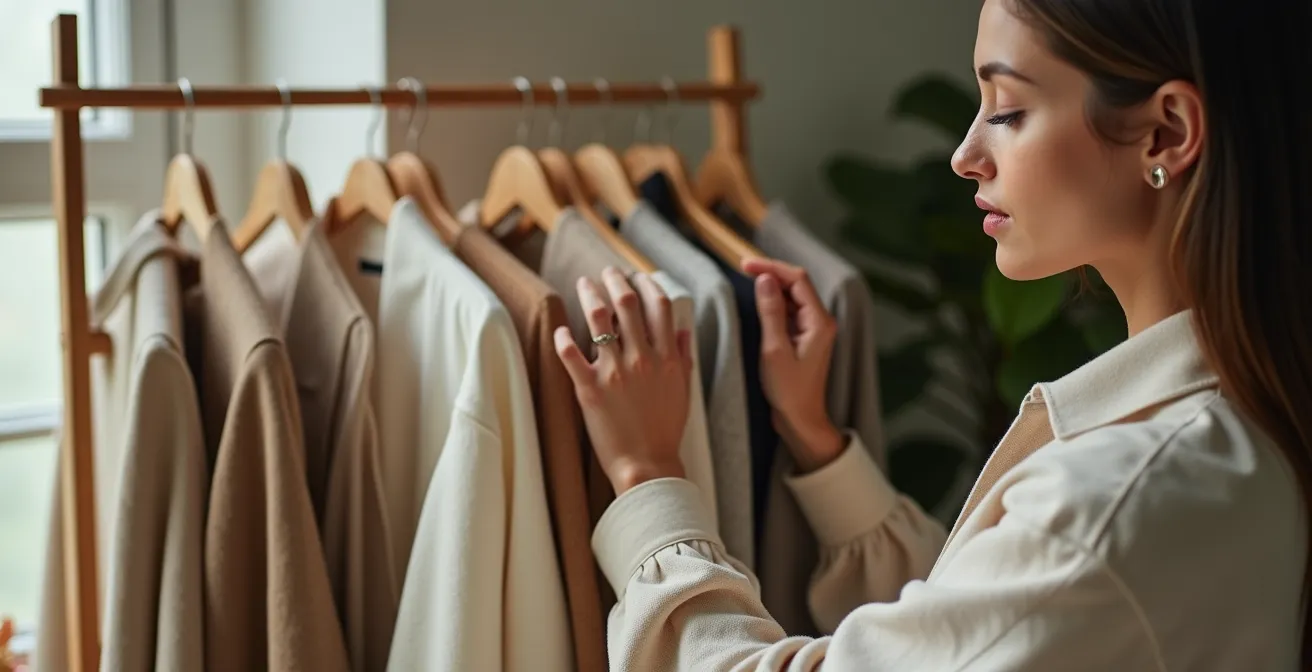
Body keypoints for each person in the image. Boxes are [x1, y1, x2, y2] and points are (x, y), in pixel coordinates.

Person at [553, 0, 1312, 668]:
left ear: (1165, 133)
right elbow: (995, 624)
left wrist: (648, 476)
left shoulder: (1112, 510)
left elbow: (1045, 584)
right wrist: (818, 443)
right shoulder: (1248, 416)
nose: (964, 154)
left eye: (1007, 109)